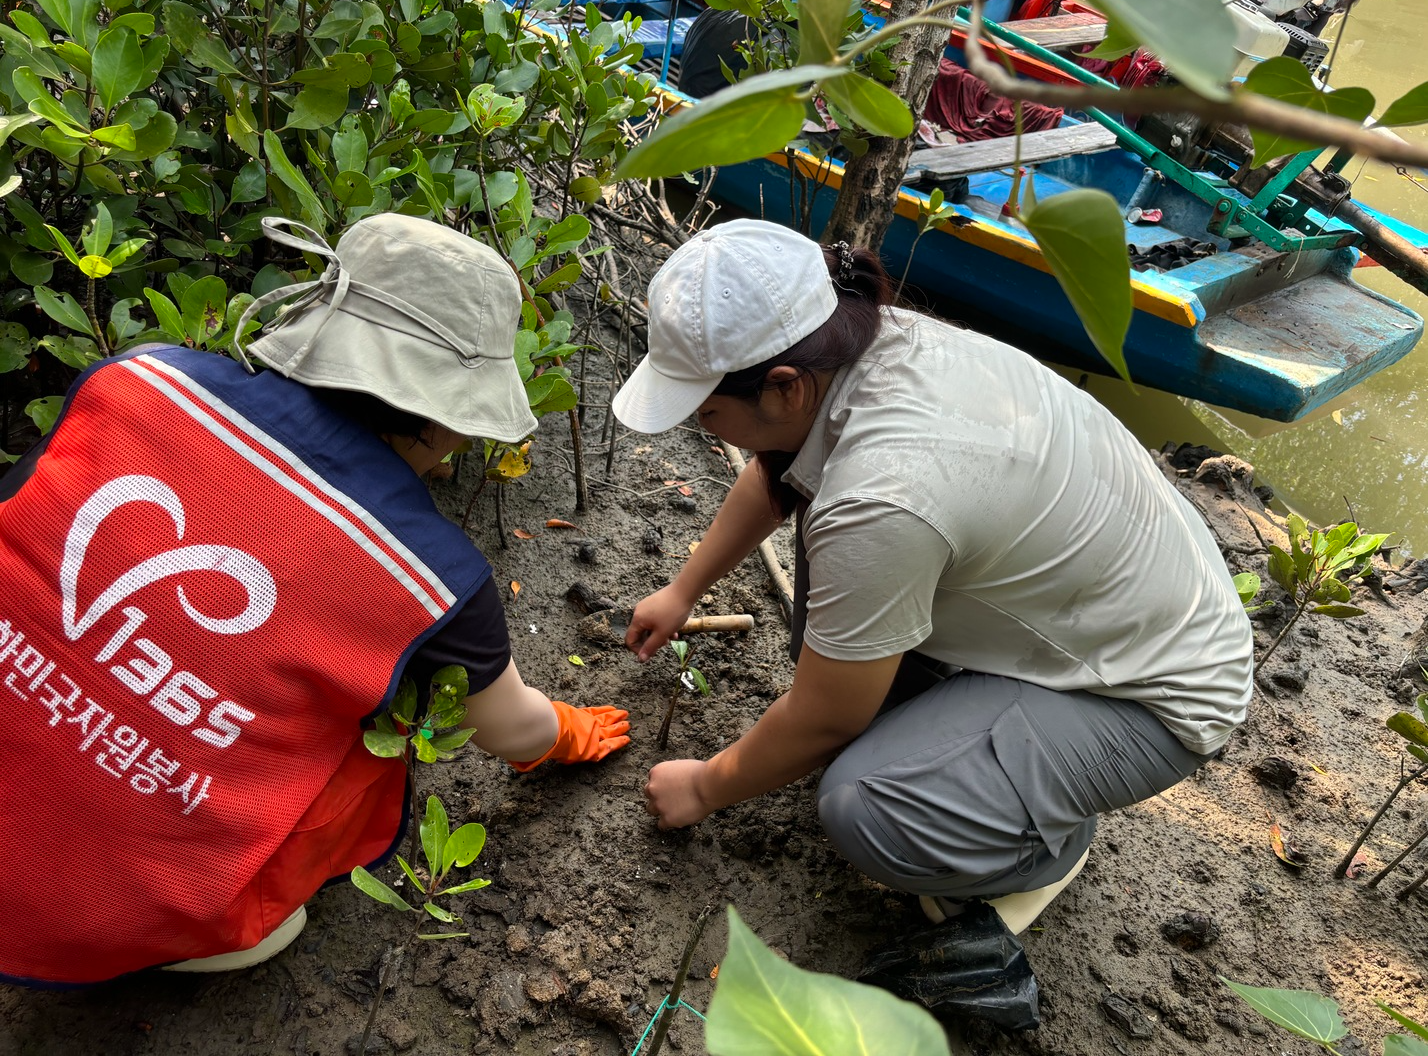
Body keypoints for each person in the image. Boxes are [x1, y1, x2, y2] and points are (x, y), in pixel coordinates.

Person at [0, 214, 629, 987]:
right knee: (372, 751)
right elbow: (505, 726)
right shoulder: (432, 572)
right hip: (104, 914)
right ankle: (194, 926)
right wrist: (567, 730)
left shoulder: (136, 379)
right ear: (446, 416)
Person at [612, 219, 1252, 936]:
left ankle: (1045, 843)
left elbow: (828, 717)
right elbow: (777, 471)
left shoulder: (882, 492)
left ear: (786, 386)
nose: (705, 428)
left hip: (1152, 693)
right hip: (1109, 597)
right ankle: (992, 767)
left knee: (862, 804)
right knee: (834, 622)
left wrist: (704, 785)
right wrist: (682, 589)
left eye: (708, 412)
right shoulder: (864, 345)